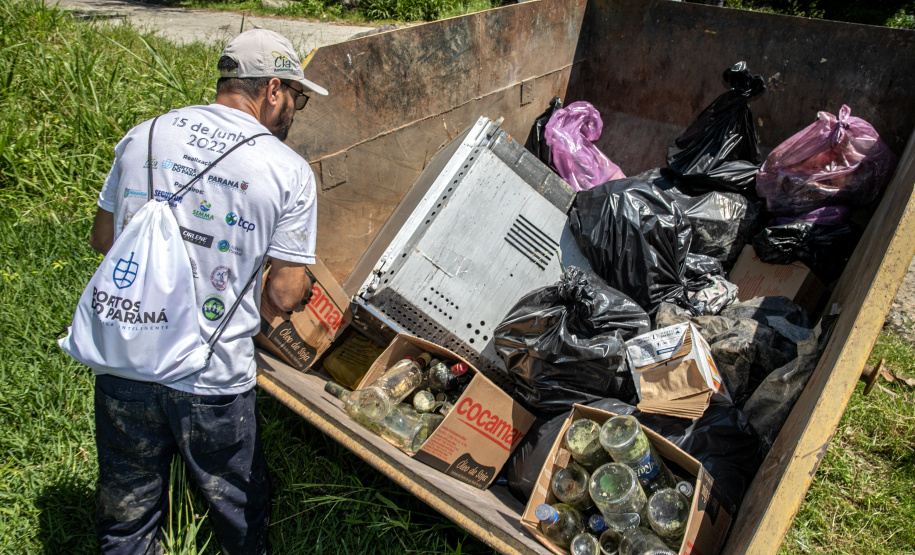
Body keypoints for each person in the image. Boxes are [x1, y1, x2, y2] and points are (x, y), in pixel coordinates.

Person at [86, 29, 326, 554]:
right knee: (239, 516)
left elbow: (103, 240)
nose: (294, 111)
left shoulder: (143, 134)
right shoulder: (287, 171)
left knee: (126, 521)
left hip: (124, 364)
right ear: (272, 90)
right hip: (211, 382)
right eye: (297, 98)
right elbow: (286, 295)